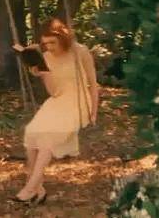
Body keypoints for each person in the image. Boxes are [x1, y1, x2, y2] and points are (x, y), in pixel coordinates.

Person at [11, 18, 99, 204]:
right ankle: (39, 189)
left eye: (53, 42)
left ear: (63, 38)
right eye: (45, 44)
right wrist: (43, 73)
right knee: (31, 133)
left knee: (47, 141)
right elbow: (53, 92)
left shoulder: (80, 52)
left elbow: (93, 84)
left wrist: (94, 111)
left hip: (78, 102)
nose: (49, 47)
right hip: (57, 101)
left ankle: (30, 188)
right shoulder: (46, 58)